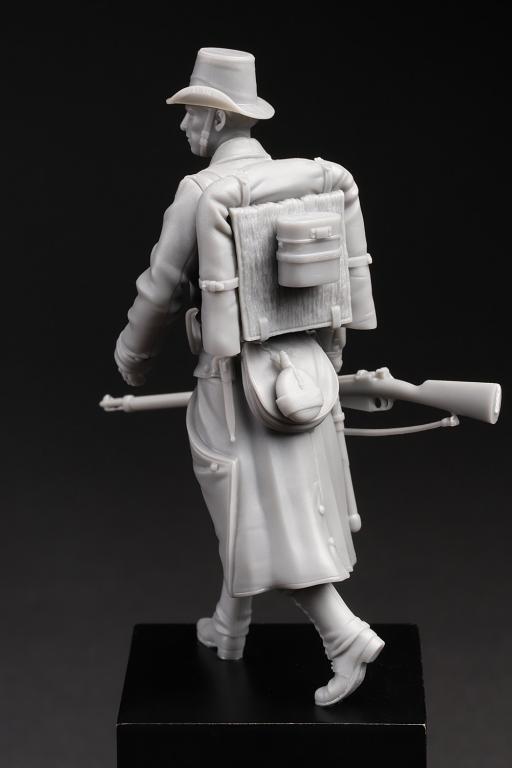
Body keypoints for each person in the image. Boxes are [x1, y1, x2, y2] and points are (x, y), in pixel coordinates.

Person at [114, 47, 384, 707]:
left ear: (216, 118)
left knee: (257, 516)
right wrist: (330, 360)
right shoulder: (310, 180)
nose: (184, 125)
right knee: (252, 511)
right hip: (307, 373)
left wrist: (132, 356)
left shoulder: (201, 192)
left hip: (236, 385)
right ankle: (230, 627)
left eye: (192, 112)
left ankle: (344, 636)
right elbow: (340, 286)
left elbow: (159, 287)